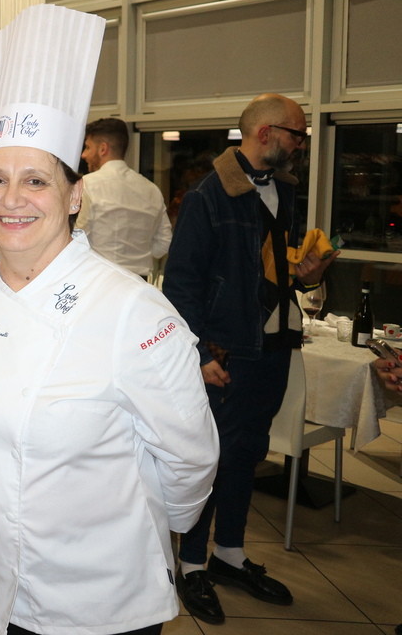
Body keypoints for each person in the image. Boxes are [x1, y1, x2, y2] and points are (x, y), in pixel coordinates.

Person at [0, 4, 219, 635]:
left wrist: (149, 527)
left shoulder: (131, 310)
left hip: (95, 603)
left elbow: (190, 460)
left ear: (74, 195)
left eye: (36, 180)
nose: (12, 199)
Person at [163, 92, 338, 625]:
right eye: (297, 134)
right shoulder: (208, 196)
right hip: (226, 350)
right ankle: (192, 565)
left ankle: (230, 555)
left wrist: (305, 276)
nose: (301, 144)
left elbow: (269, 268)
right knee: (212, 460)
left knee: (248, 454)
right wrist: (197, 354)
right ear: (266, 133)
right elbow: (181, 286)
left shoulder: (284, 189)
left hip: (274, 345)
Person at [78, 117, 172, 279]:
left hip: (99, 279)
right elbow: (165, 242)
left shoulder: (87, 185)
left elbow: (77, 236)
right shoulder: (151, 189)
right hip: (139, 282)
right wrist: (137, 256)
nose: (83, 155)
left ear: (103, 149)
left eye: (88, 147)